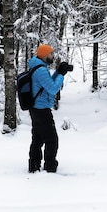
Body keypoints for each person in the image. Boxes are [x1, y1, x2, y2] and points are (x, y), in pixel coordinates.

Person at [27, 44, 71, 173]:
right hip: (41, 109)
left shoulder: (39, 67)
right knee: (52, 139)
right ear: (45, 55)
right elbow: (53, 89)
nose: (53, 55)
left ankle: (34, 166)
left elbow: (47, 84)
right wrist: (61, 75)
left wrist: (58, 72)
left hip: (36, 108)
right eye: (51, 53)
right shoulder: (41, 70)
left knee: (38, 138)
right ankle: (50, 167)